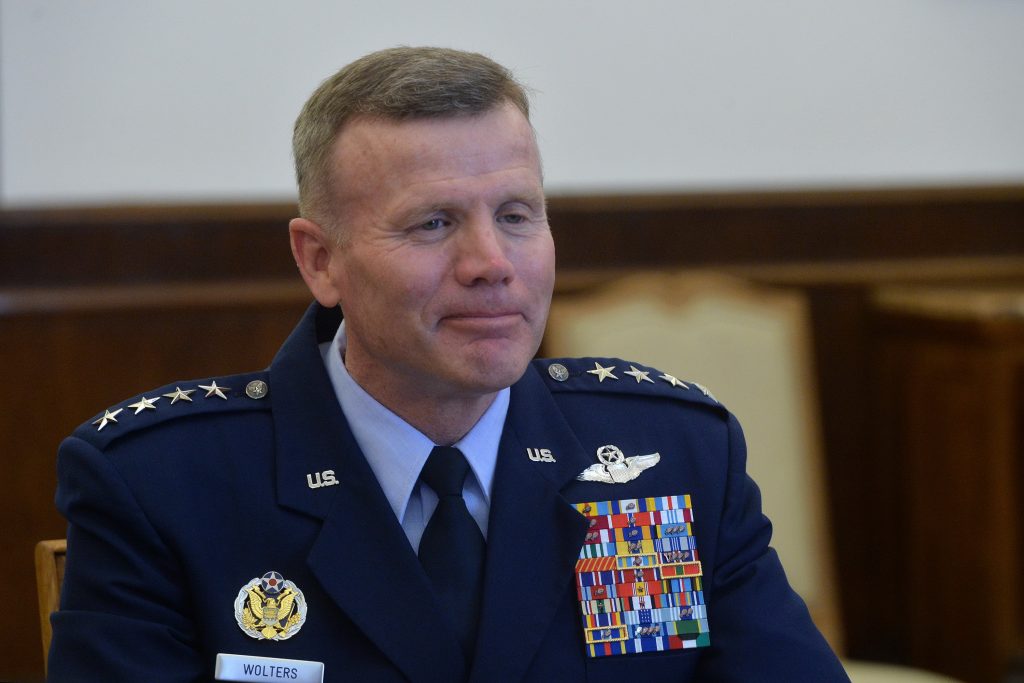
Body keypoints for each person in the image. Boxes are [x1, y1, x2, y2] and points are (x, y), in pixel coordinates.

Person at [49, 46, 849, 682]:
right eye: (433, 223)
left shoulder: (675, 455)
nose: (491, 263)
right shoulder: (162, 486)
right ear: (320, 260)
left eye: (516, 214)